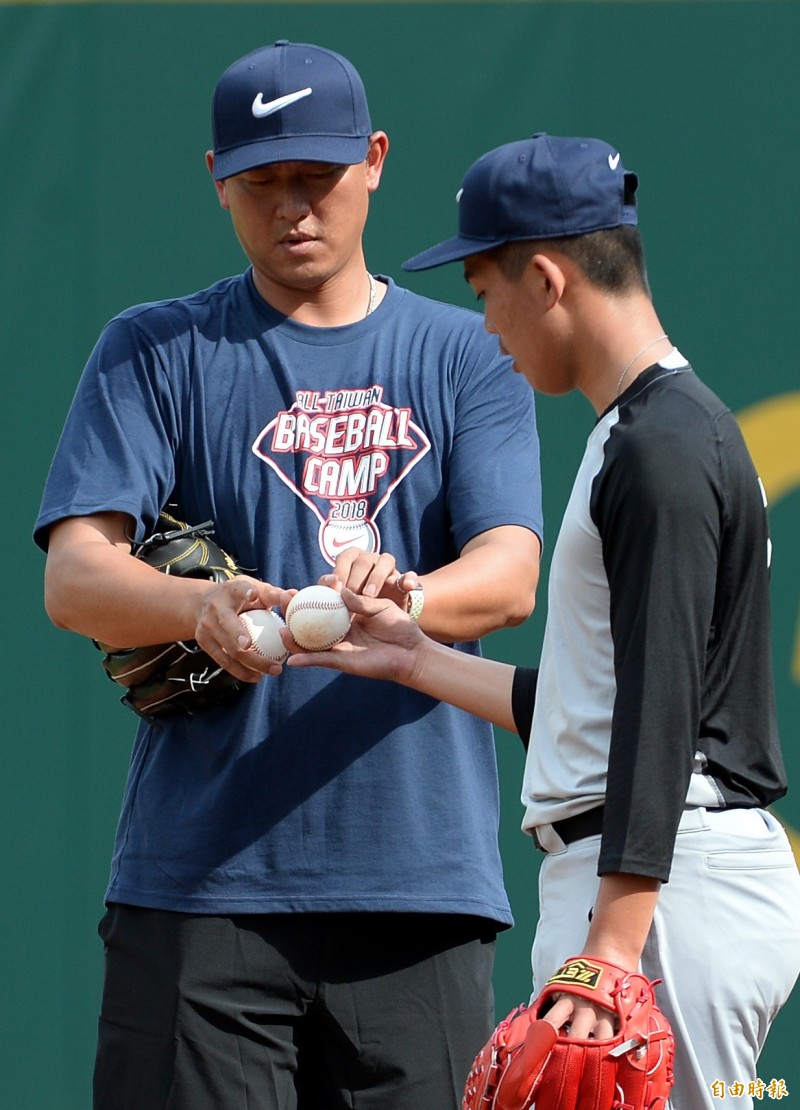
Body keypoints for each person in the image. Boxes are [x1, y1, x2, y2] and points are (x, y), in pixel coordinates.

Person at [34, 42, 544, 1110]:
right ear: (218, 175)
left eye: (314, 176)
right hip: (199, 890)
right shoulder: (155, 349)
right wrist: (194, 607)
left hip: (419, 890)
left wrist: (402, 604)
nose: (291, 207)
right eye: (261, 182)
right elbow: (75, 578)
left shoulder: (463, 354)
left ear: (373, 160)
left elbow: (507, 574)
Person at [287, 132, 800, 1109]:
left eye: (485, 292)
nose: (486, 325)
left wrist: (610, 950)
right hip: (648, 877)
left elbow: (660, 711)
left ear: (548, 279)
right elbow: (596, 708)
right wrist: (412, 659)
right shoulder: (651, 433)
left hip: (660, 891)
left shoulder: (658, 451)